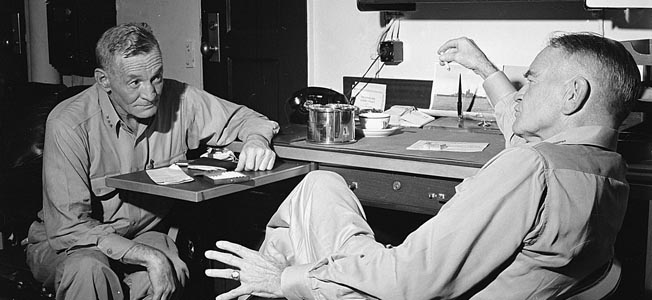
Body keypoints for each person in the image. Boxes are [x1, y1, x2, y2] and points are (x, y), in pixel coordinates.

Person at [204, 32, 642, 299]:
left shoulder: (530, 169)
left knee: (316, 190)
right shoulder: (603, 168)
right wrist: (483, 67)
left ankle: (263, 282)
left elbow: (407, 282)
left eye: (533, 79)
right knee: (319, 190)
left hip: (406, 290)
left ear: (572, 95)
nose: (521, 90)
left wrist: (288, 280)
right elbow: (520, 126)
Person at [25, 22, 279, 300]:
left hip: (144, 233)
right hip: (74, 244)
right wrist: (146, 256)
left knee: (169, 269)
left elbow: (248, 119)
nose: (150, 94)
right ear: (104, 80)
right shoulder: (69, 123)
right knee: (88, 271)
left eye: (156, 77)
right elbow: (69, 228)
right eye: (134, 82)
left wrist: (256, 140)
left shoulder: (178, 99)